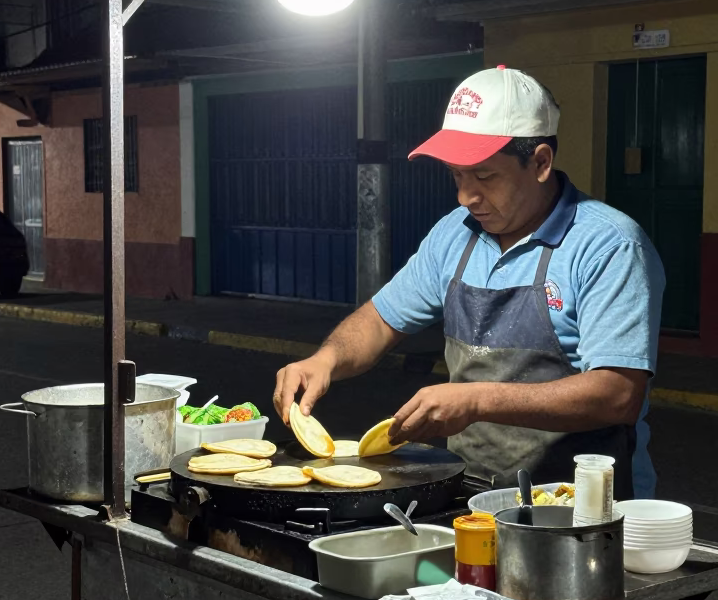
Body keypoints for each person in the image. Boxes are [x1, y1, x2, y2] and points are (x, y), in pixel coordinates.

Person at [274, 66, 665, 500]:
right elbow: (381, 320)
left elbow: (617, 394)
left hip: (582, 505)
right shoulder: (454, 233)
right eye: (457, 175)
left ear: (540, 162)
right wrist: (325, 360)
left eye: (484, 176)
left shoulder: (609, 244)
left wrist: (476, 400)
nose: (466, 196)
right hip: (472, 495)